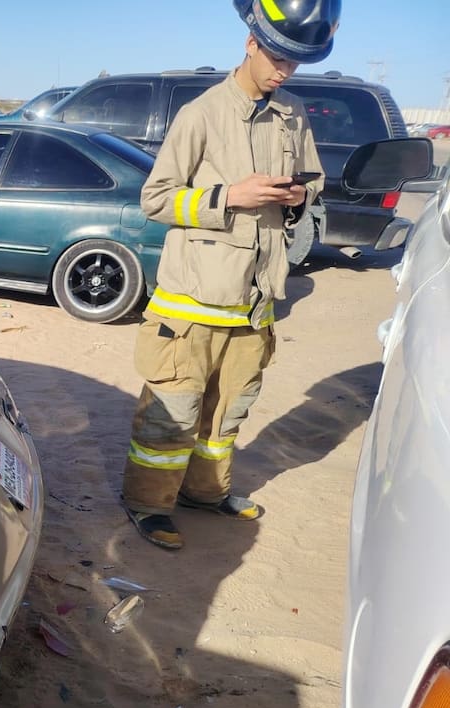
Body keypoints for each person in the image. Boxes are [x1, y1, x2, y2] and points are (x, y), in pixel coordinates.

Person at [121, 0, 340, 550]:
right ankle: (148, 504)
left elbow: (313, 185)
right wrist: (229, 197)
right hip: (193, 303)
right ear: (250, 43)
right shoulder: (201, 114)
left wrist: (296, 195)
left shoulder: (293, 115)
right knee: (174, 414)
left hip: (255, 301)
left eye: (294, 63)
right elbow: (155, 200)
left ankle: (205, 494)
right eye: (277, 57)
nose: (283, 71)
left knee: (225, 415)